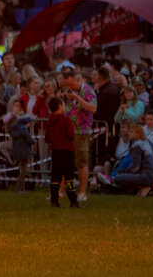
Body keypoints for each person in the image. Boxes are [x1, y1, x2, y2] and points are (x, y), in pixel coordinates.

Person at [61, 67, 97, 204]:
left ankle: (82, 192)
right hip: (68, 131)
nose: (69, 87)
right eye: (67, 85)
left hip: (81, 132)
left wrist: (77, 98)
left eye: (71, 84)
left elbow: (93, 108)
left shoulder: (88, 91)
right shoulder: (69, 92)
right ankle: (61, 191)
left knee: (81, 162)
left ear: (78, 80)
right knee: (65, 162)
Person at [98, 123, 153, 197]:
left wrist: (122, 171)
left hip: (145, 176)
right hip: (150, 175)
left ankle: (143, 187)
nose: (128, 134)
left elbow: (136, 168)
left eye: (131, 132)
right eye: (129, 131)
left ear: (138, 134)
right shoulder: (144, 143)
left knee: (117, 179)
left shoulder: (137, 146)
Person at [46, 95, 78, 208]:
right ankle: (73, 200)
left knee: (55, 176)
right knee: (69, 176)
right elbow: (71, 135)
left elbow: (47, 138)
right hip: (66, 150)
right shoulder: (66, 120)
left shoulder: (50, 121)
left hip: (55, 151)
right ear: (60, 106)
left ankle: (54, 200)